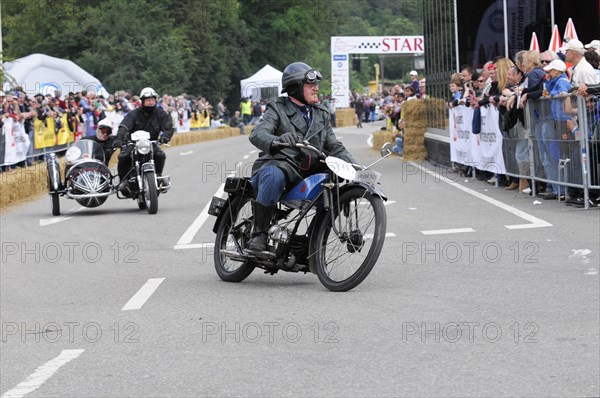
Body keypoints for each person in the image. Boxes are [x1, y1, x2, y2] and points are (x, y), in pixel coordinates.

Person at [247, 61, 357, 252]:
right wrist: (277, 140)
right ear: (295, 88)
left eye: (316, 84)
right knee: (274, 175)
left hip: (308, 174)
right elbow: (258, 133)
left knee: (333, 191)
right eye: (310, 85)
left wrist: (355, 167)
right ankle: (259, 234)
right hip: (281, 165)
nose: (316, 88)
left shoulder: (321, 113)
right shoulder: (278, 108)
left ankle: (312, 241)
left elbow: (334, 146)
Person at [114, 87, 174, 194]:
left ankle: (158, 176)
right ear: (143, 101)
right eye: (148, 100)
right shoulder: (134, 114)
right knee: (123, 156)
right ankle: (124, 181)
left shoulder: (161, 114)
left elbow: (168, 126)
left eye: (152, 100)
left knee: (160, 155)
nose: (150, 102)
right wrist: (119, 138)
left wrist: (165, 137)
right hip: (134, 144)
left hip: (151, 143)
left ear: (155, 101)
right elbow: (124, 126)